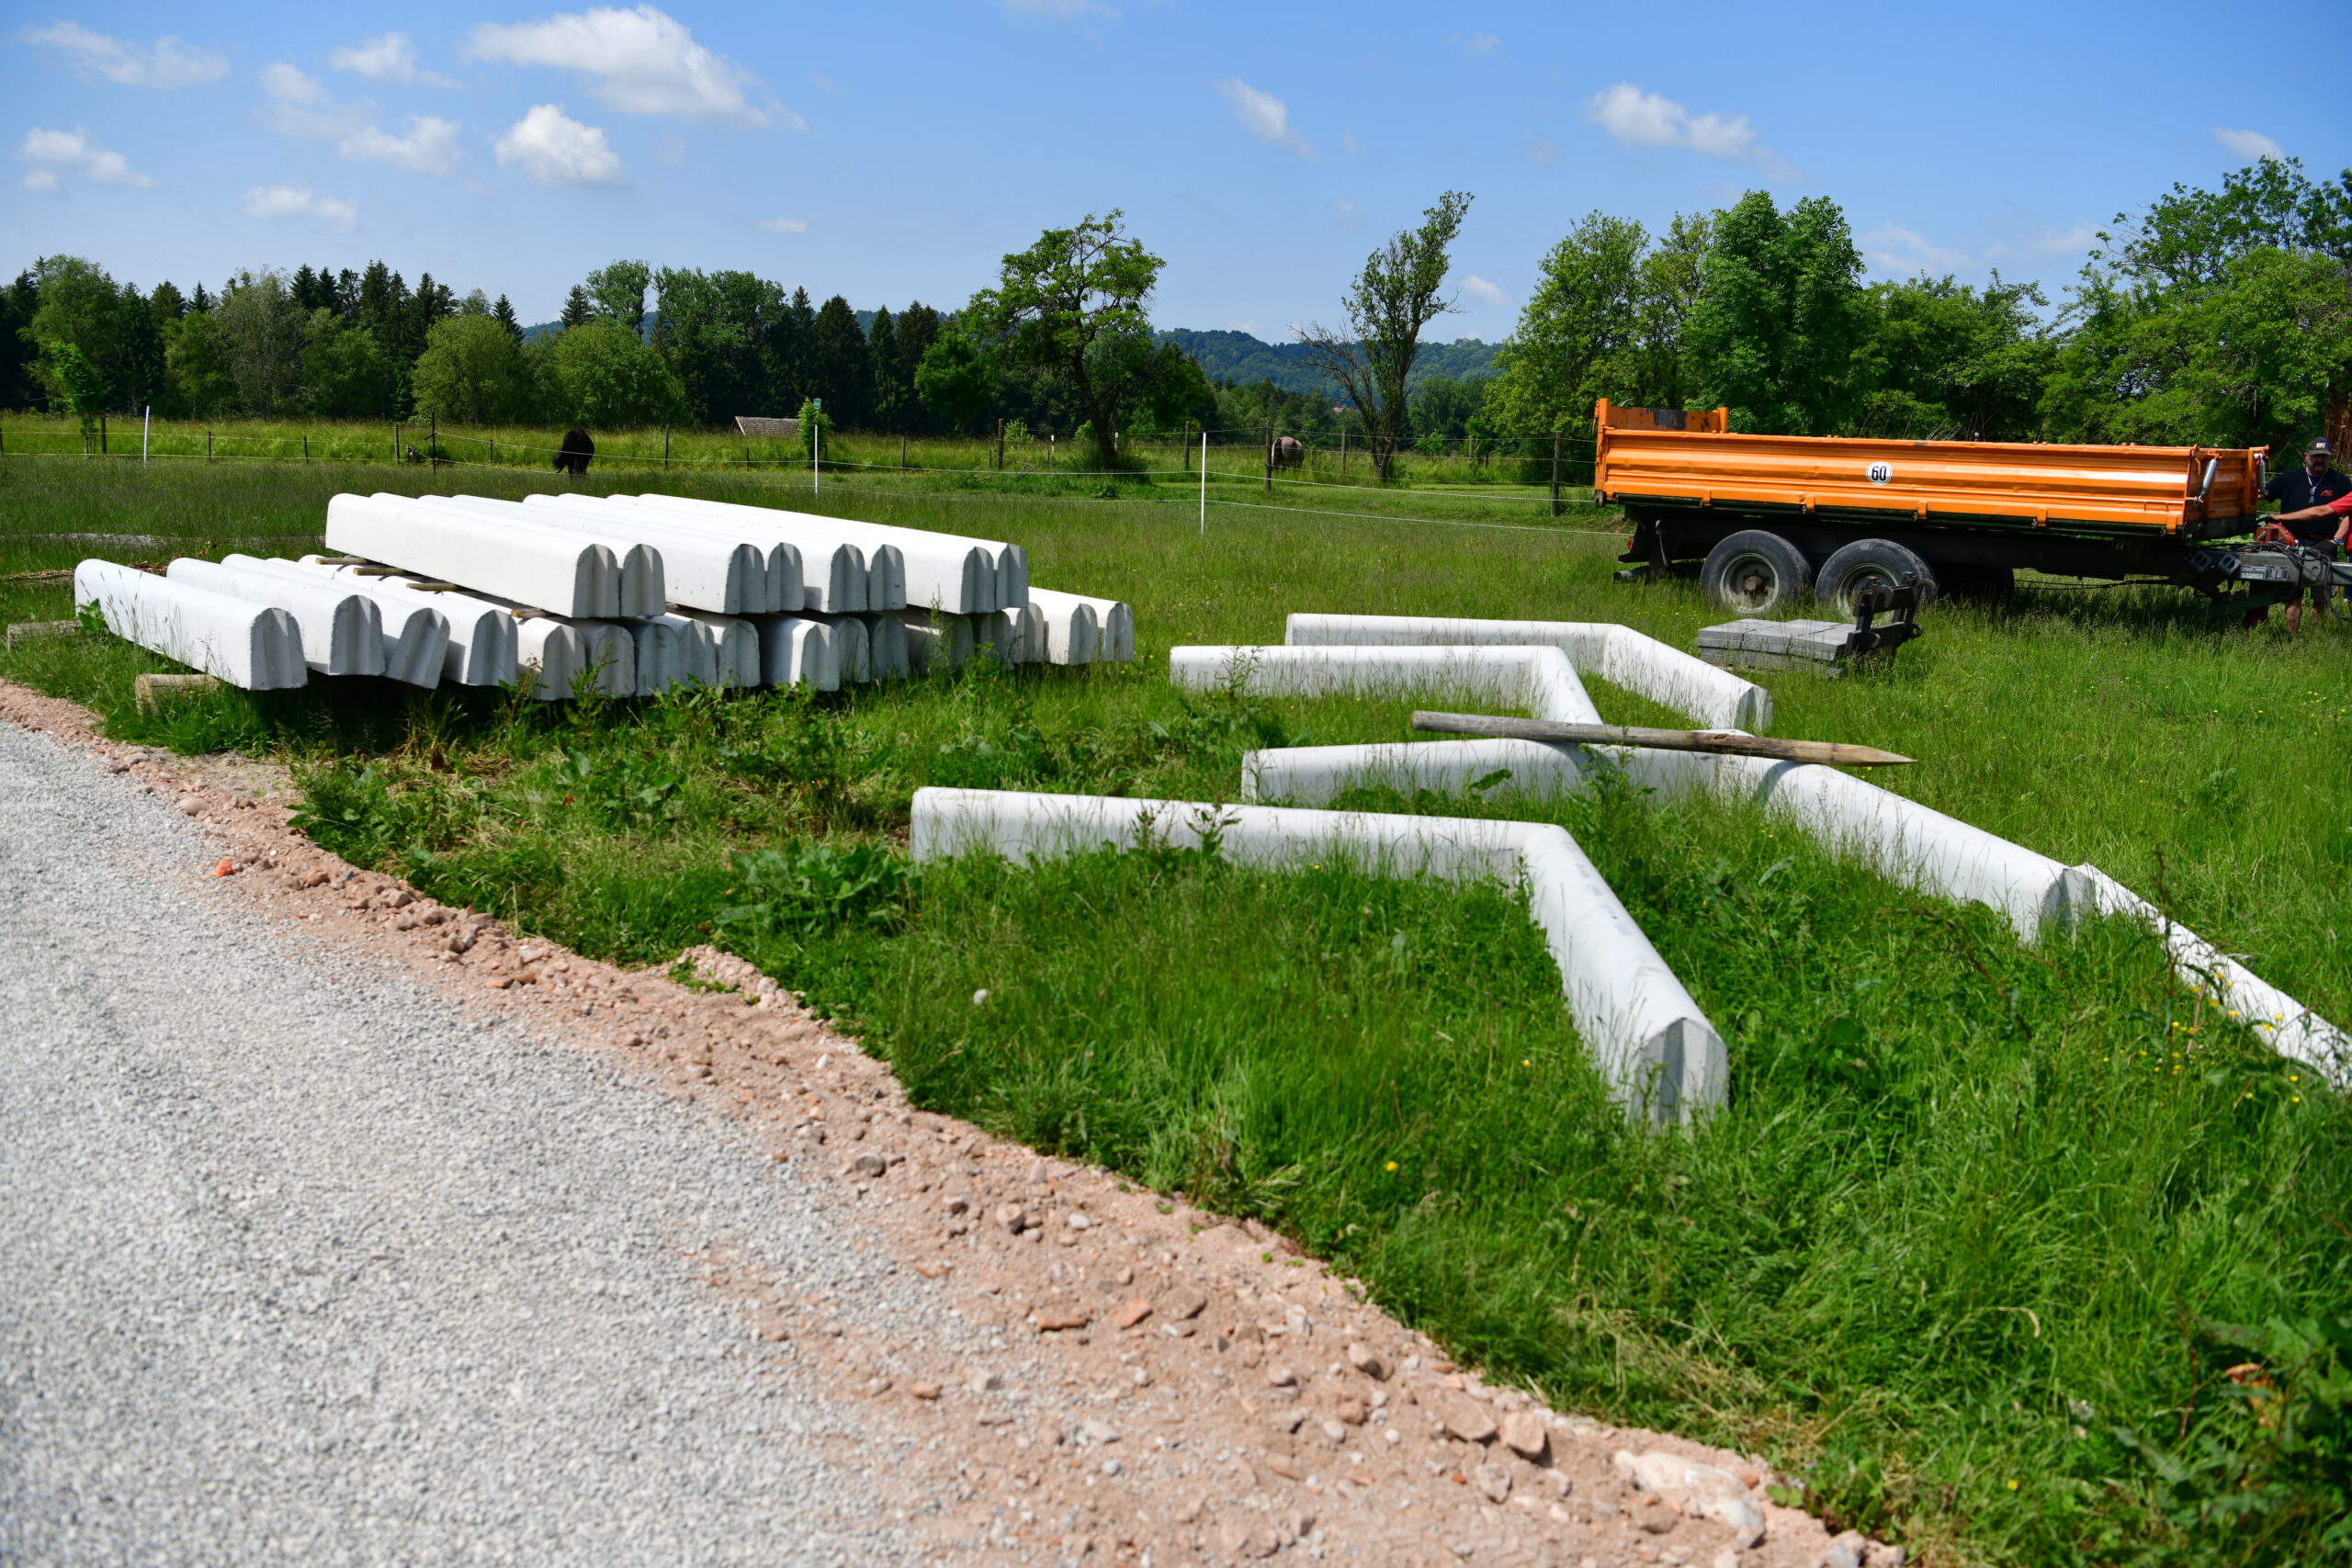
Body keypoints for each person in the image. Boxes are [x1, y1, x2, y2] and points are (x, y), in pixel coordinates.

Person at [2267, 441, 2352, 630]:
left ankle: (2316, 637)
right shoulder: (2289, 479)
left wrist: (2336, 540)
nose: (2319, 460)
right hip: (2292, 542)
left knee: (2321, 597)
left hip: (2323, 543)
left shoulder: (2340, 481)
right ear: (2306, 456)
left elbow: (2349, 514)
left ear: (2330, 457)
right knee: (2293, 595)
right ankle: (2293, 638)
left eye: (2324, 456)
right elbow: (2263, 494)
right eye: (2315, 456)